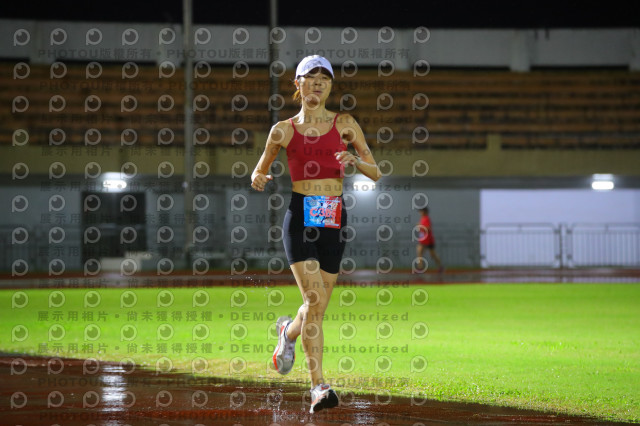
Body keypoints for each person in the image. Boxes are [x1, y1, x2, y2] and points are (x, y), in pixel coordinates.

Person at [251, 55, 381, 413]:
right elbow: (258, 170)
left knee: (318, 307)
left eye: (325, 77)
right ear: (298, 84)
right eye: (311, 76)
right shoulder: (283, 130)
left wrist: (355, 161)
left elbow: (376, 172)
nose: (319, 82)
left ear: (330, 86)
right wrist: (259, 177)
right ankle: (318, 387)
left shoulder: (346, 124)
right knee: (313, 301)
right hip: (300, 219)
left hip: (334, 219)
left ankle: (287, 332)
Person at [416, 207, 445, 273]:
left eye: (421, 211)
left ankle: (441, 266)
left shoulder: (427, 219)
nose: (420, 213)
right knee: (419, 251)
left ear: (425, 212)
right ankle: (420, 268)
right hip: (423, 240)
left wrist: (420, 225)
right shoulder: (422, 219)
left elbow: (429, 228)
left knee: (433, 255)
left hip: (428, 240)